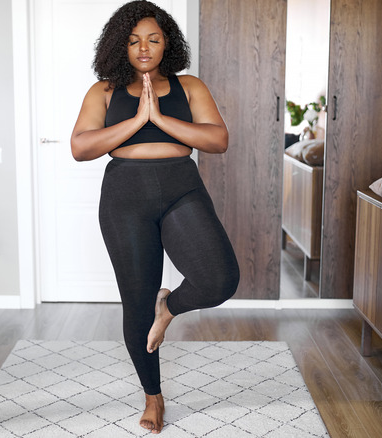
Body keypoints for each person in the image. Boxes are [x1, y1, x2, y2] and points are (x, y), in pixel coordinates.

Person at [70, 0, 240, 433]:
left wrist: (159, 117)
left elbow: (217, 140)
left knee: (219, 279)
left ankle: (170, 306)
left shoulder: (190, 86)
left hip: (181, 185)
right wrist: (136, 121)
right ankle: (153, 397)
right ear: (119, 45)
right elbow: (81, 147)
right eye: (133, 40)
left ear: (168, 43)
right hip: (125, 194)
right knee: (136, 304)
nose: (144, 47)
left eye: (153, 38)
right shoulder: (104, 92)